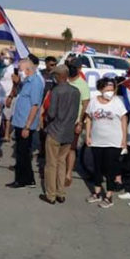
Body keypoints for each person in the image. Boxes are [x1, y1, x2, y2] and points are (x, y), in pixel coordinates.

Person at [84, 77, 128, 208]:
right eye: (107, 90)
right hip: (97, 140)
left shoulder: (117, 102)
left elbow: (124, 120)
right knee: (97, 167)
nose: (110, 92)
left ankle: (109, 195)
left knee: (110, 169)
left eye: (112, 90)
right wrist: (88, 135)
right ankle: (96, 192)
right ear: (100, 89)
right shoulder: (93, 102)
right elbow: (89, 118)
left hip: (113, 141)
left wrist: (124, 139)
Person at [40, 65, 80, 205]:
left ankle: (51, 194)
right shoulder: (76, 91)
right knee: (61, 162)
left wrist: (45, 120)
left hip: (55, 130)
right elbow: (76, 113)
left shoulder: (56, 91)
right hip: (68, 131)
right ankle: (61, 193)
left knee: (51, 164)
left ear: (59, 76)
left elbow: (51, 113)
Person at [6, 59, 44, 189]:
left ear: (28, 70)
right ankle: (28, 179)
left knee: (22, 152)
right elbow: (19, 92)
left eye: (21, 70)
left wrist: (27, 126)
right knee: (22, 152)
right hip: (20, 121)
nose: (19, 72)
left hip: (25, 123)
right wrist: (16, 83)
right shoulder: (27, 81)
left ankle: (21, 180)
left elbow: (35, 106)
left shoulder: (35, 83)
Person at [66, 59, 90, 187]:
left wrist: (80, 122)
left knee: (71, 149)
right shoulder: (64, 81)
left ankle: (68, 173)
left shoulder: (82, 85)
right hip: (61, 122)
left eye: (75, 67)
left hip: (74, 122)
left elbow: (85, 104)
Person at [0, 49, 16, 142]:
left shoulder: (13, 69)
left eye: (6, 57)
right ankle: (1, 132)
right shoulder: (2, 68)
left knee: (7, 116)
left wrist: (10, 96)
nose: (3, 59)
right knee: (1, 115)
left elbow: (15, 84)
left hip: (8, 94)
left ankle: (6, 135)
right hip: (1, 94)